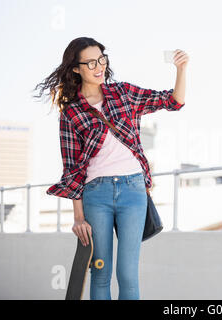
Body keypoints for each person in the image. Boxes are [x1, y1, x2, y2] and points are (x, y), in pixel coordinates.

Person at [32, 37, 188, 300]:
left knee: (128, 274)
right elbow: (72, 170)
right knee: (100, 271)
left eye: (102, 59)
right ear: (75, 68)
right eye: (91, 62)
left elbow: (173, 101)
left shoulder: (124, 93)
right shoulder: (71, 113)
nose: (99, 66)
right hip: (96, 194)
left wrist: (181, 69)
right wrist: (78, 217)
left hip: (133, 190)